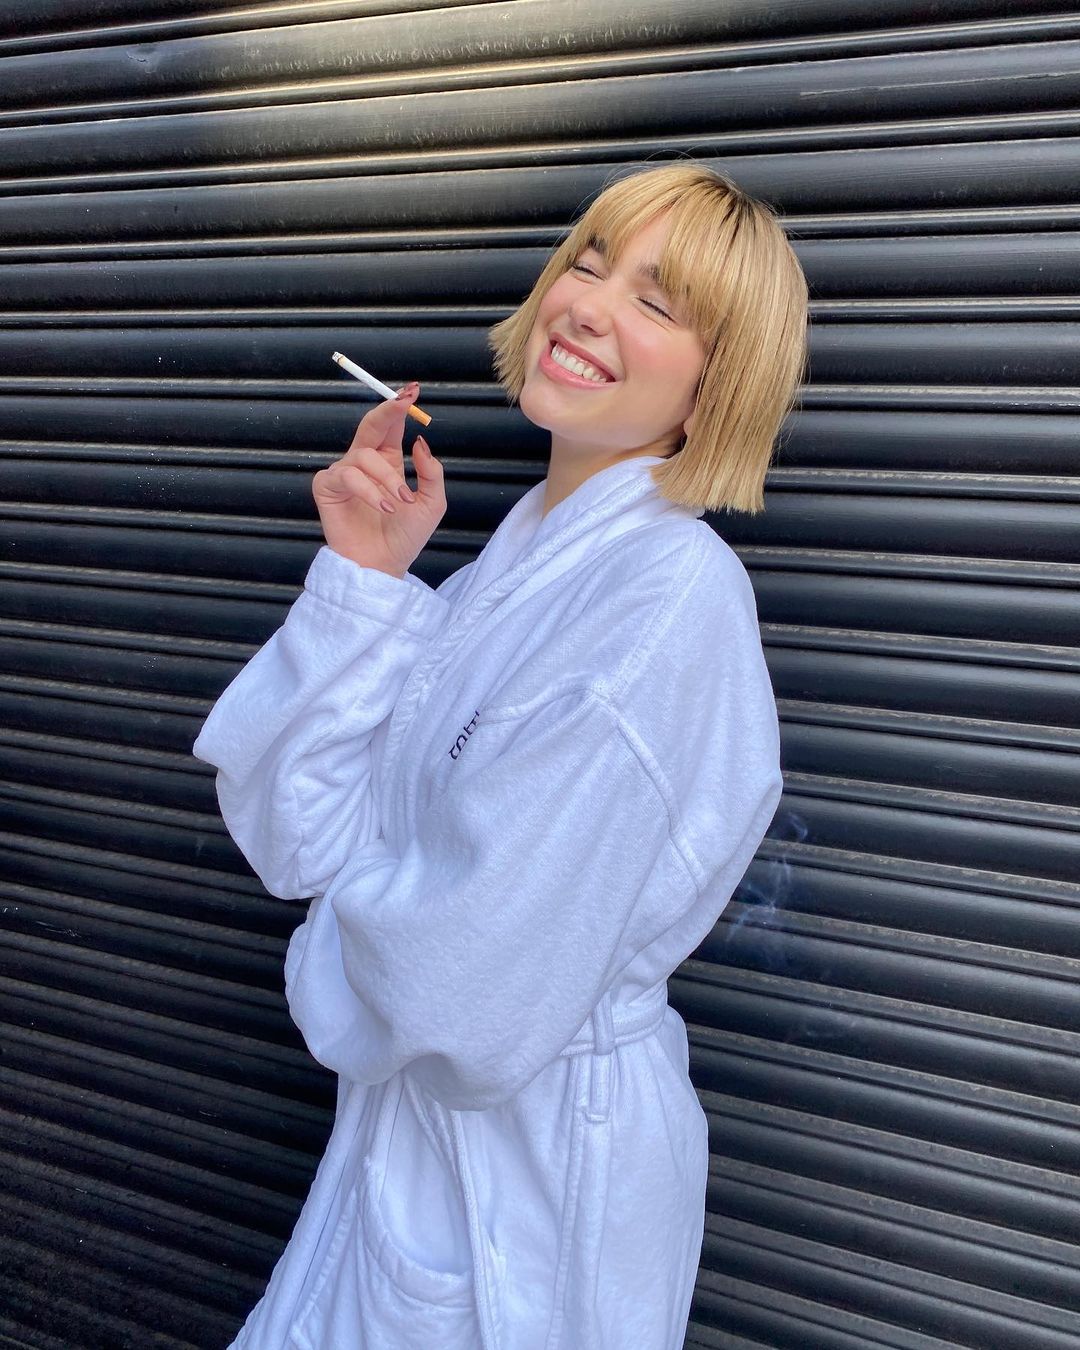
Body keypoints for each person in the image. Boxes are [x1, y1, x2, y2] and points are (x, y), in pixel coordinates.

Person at [193, 162, 808, 1350]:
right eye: (589, 263)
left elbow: (453, 991)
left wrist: (336, 949)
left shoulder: (664, 602)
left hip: (524, 1202)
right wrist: (368, 580)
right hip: (415, 1162)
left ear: (716, 386)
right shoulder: (501, 580)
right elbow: (295, 835)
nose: (589, 306)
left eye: (656, 302)